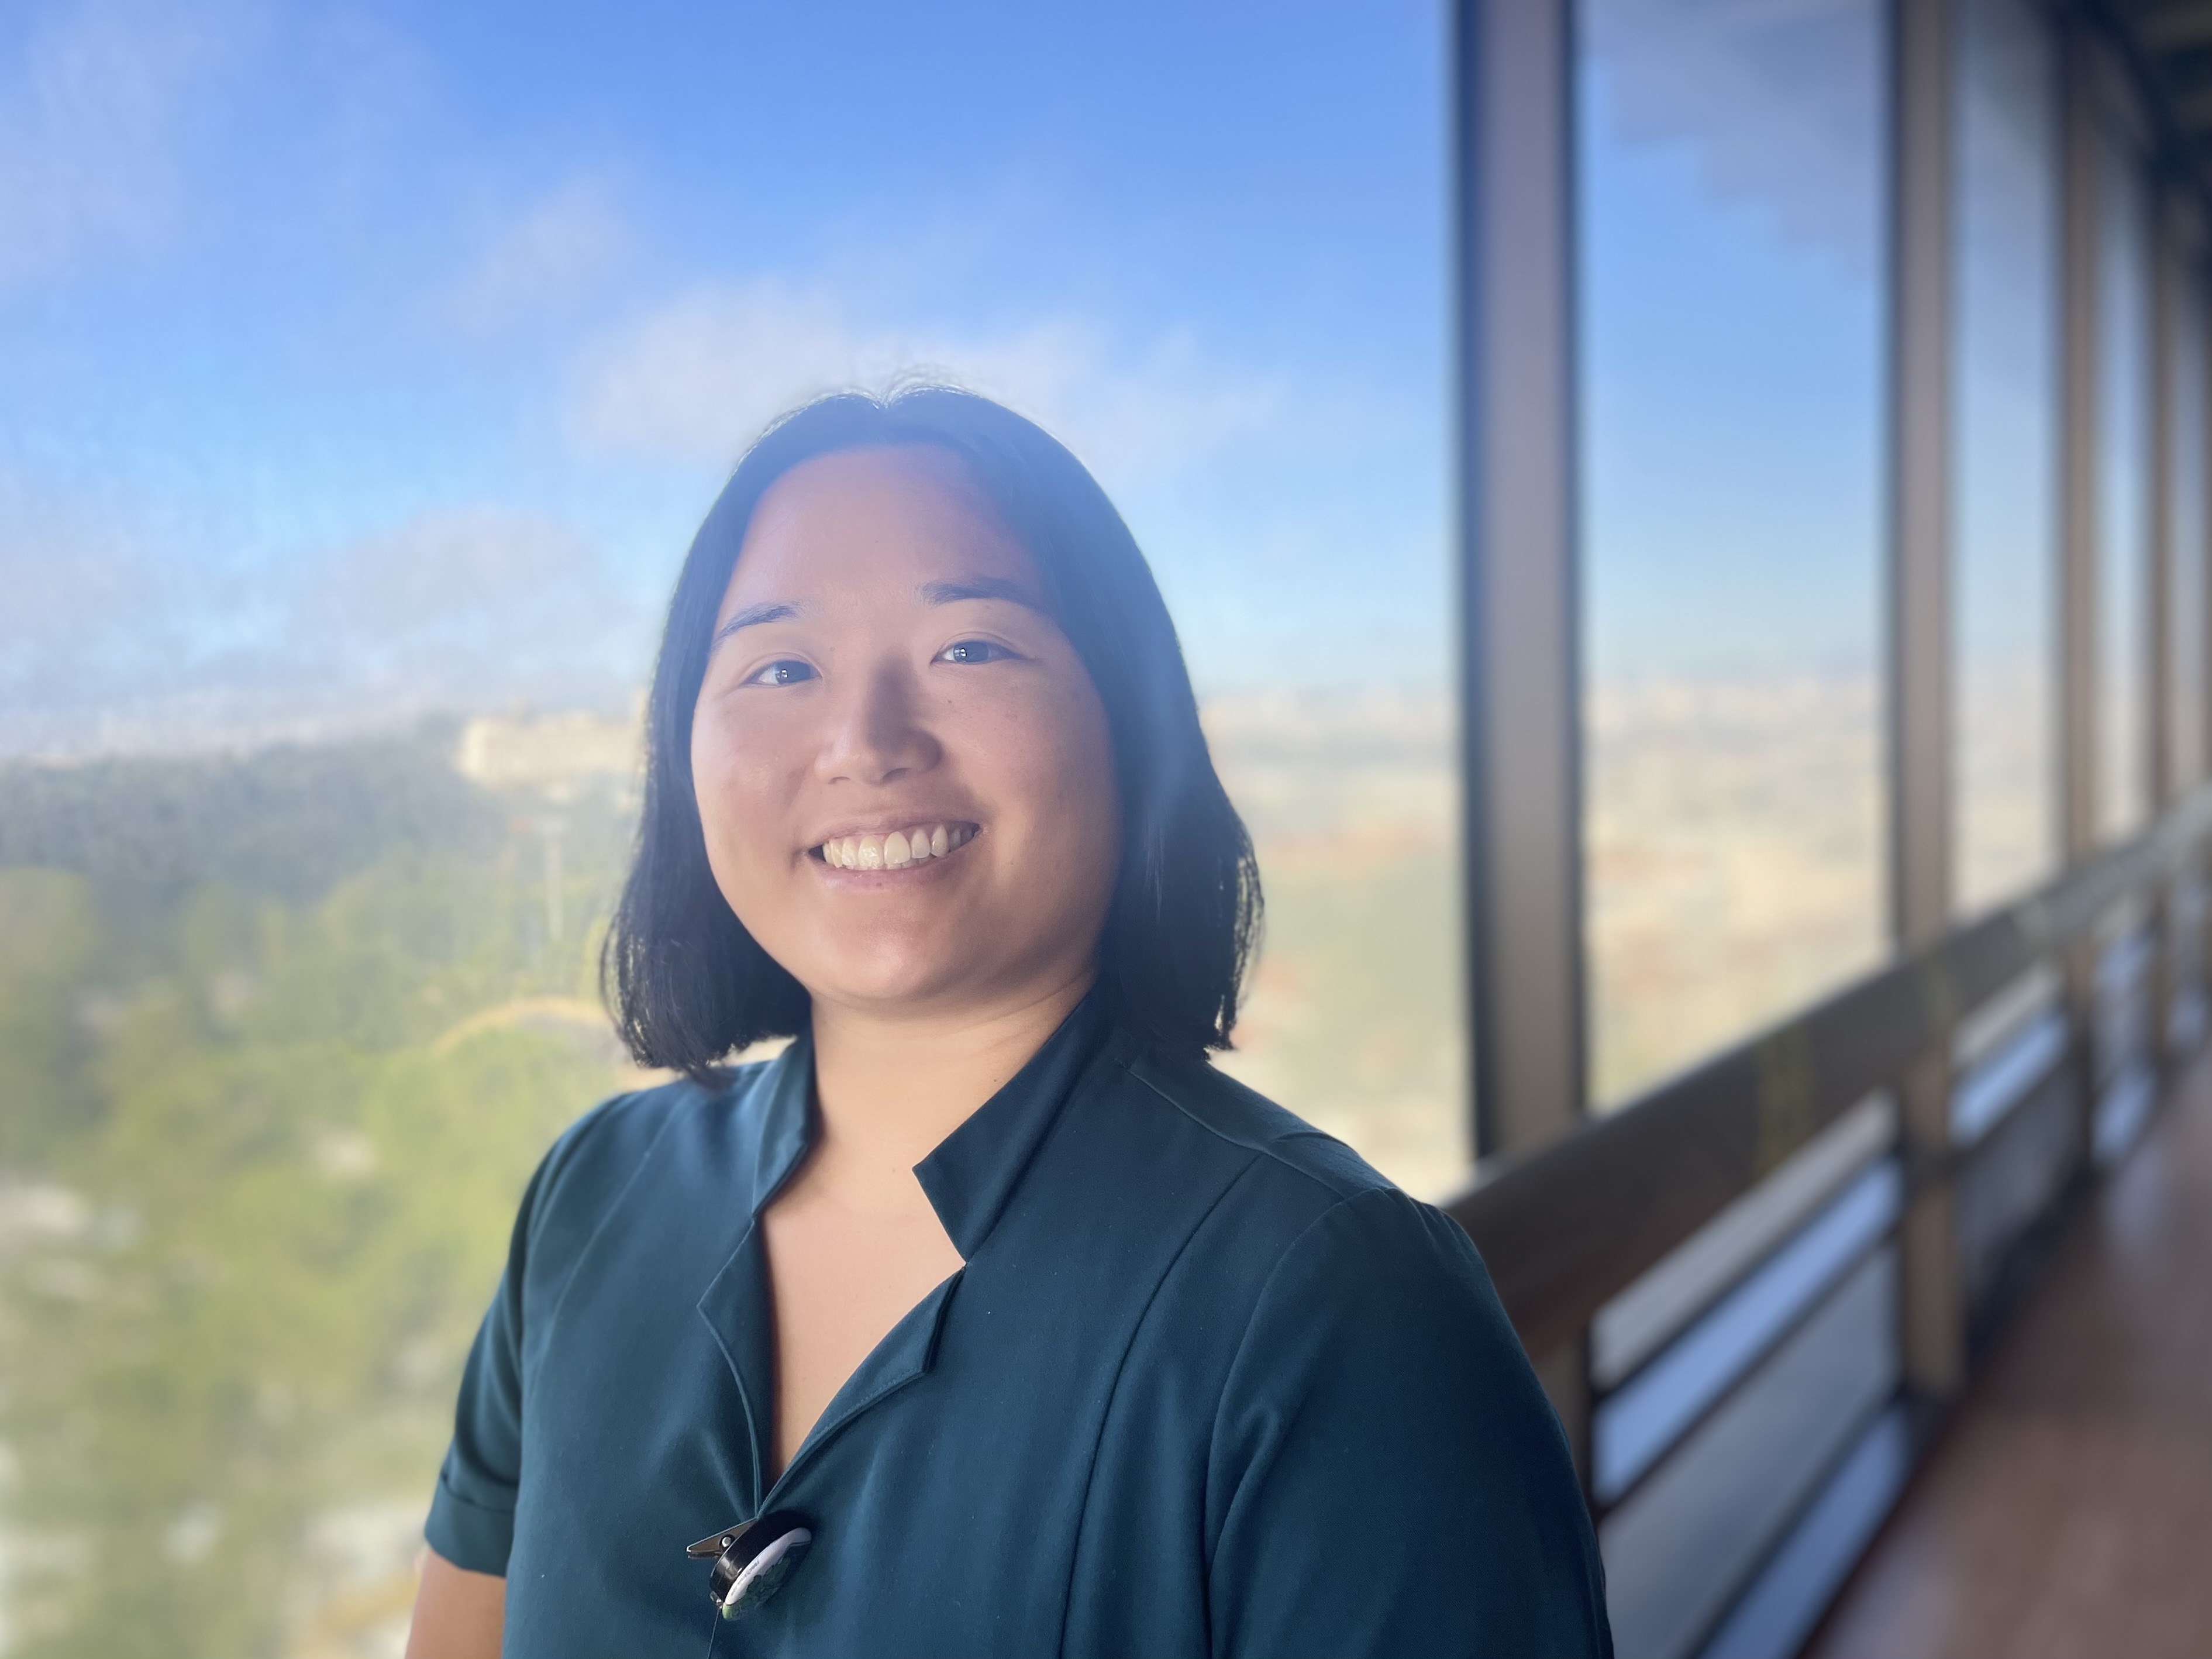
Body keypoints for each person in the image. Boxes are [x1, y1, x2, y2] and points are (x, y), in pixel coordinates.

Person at [403, 386, 1611, 1657]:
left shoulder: (1343, 1304)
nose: (864, 742)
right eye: (780, 665)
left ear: (1130, 722)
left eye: (968, 647)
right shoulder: (590, 1199)